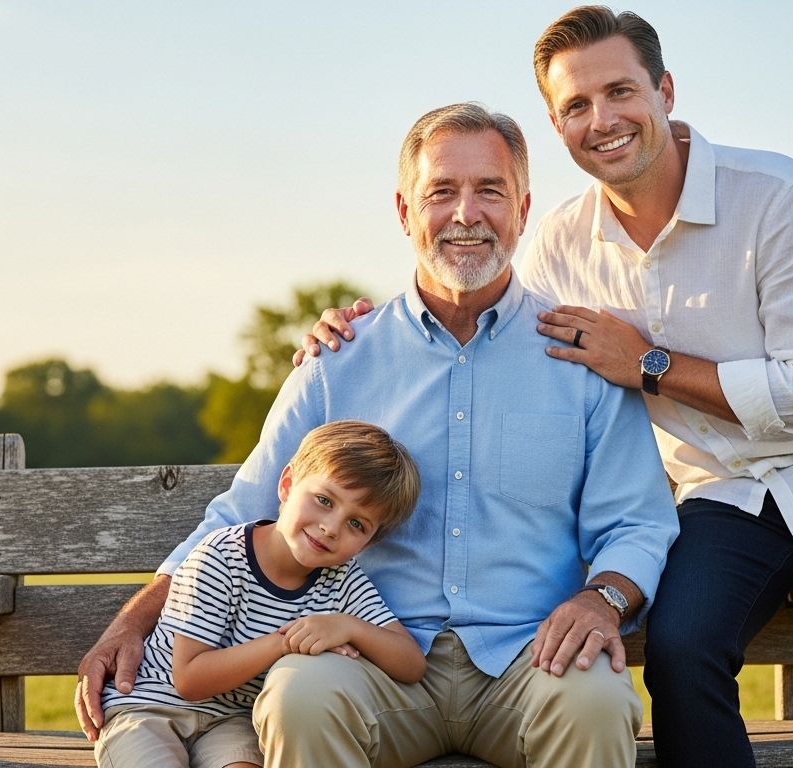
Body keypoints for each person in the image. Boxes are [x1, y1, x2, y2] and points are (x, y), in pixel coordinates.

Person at [297, 7, 793, 767]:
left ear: (664, 90)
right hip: (723, 493)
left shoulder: (777, 196)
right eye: (576, 106)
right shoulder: (562, 243)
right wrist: (352, 329)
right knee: (681, 654)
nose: (601, 120)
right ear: (556, 123)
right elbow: (487, 307)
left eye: (620, 92)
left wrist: (650, 363)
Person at [76, 102, 679, 768]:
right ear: (403, 211)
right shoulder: (338, 360)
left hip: (530, 658)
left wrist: (602, 598)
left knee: (597, 701)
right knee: (298, 695)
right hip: (368, 659)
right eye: (441, 192)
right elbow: (242, 514)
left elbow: (637, 522)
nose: (465, 214)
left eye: (489, 191)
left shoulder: (579, 358)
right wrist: (133, 619)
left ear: (523, 208)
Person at [92, 420, 425, 768]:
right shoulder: (221, 556)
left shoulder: (343, 580)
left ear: (368, 544)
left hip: (232, 721)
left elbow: (411, 664)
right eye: (324, 500)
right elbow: (189, 679)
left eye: (357, 524)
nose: (331, 528)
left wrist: (349, 627)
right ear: (287, 484)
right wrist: (283, 643)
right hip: (150, 706)